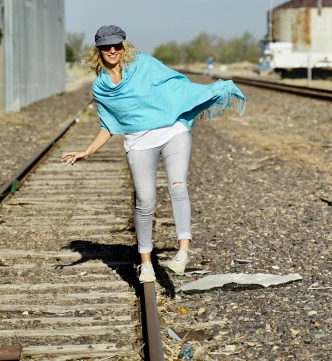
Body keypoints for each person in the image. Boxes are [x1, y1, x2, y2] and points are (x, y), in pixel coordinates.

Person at [61, 25, 246, 283]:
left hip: (173, 130)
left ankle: (182, 253)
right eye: (106, 46)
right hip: (138, 141)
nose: (112, 50)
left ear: (123, 46)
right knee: (145, 202)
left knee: (178, 187)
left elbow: (175, 84)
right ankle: (146, 263)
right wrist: (87, 151)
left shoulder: (144, 64)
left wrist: (204, 92)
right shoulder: (101, 87)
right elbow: (108, 125)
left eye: (117, 45)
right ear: (99, 50)